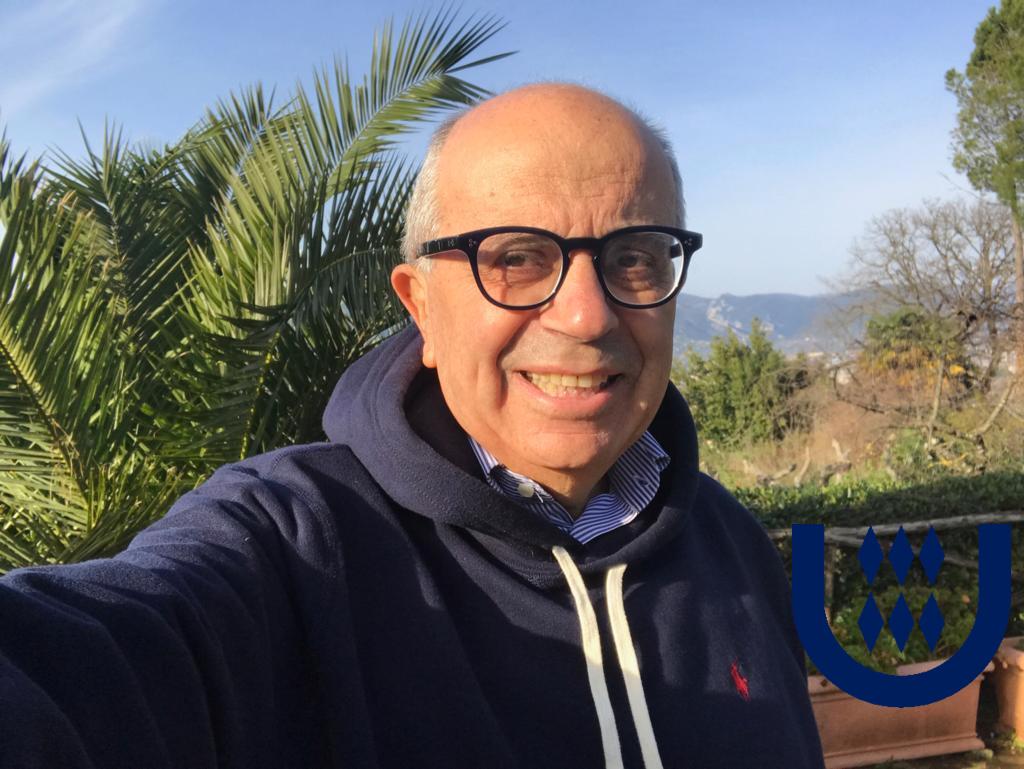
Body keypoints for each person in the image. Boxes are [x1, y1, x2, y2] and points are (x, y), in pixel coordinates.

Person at [0, 83, 825, 769]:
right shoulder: (294, 545)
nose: (585, 314)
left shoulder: (733, 545)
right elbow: (89, 661)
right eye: (515, 257)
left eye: (635, 255)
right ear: (420, 305)